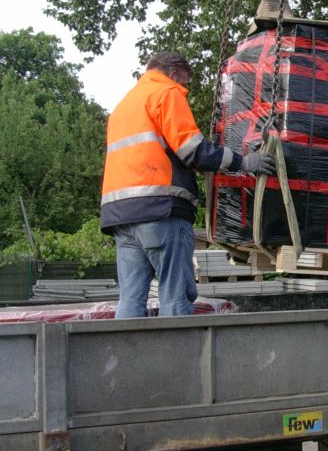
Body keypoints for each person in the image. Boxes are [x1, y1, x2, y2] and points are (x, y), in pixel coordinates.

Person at [100, 52, 275, 318]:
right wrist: (245, 162)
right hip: (160, 211)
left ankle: (127, 357)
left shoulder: (124, 105)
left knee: (131, 299)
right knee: (175, 296)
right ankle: (177, 358)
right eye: (184, 81)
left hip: (120, 216)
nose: (186, 89)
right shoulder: (166, 94)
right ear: (171, 72)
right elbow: (194, 152)